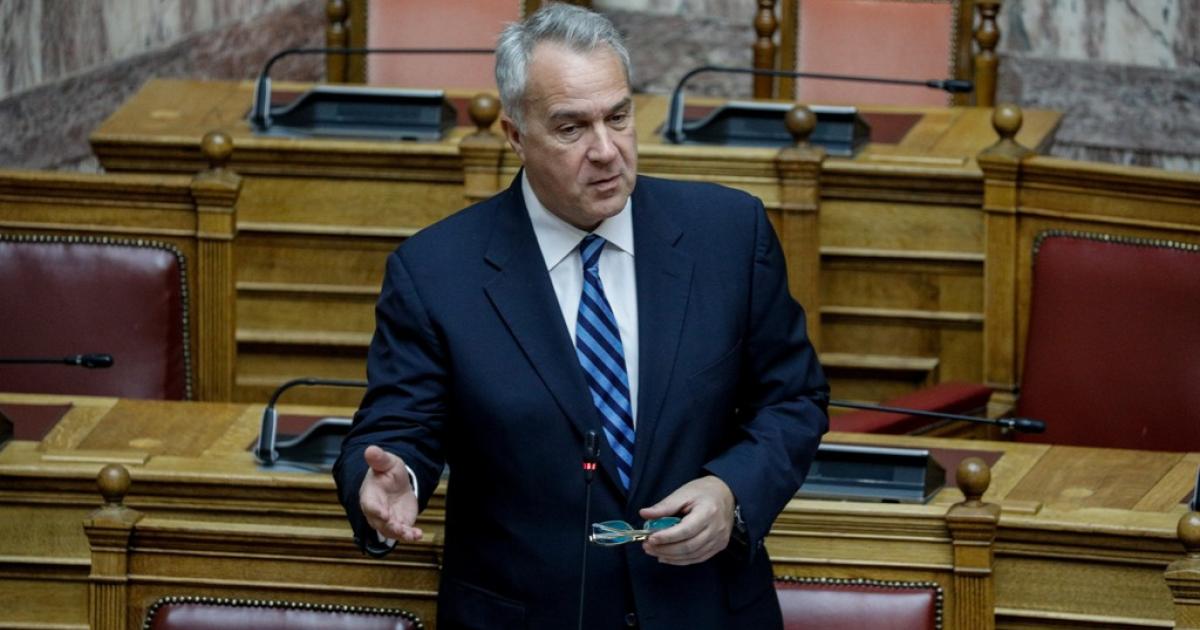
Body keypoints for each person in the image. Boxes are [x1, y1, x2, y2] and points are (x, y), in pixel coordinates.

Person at [333, 4, 829, 629]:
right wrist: (391, 480)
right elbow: (398, 426)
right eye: (571, 128)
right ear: (515, 135)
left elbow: (793, 399)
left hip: (704, 609)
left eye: (618, 117)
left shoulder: (728, 234)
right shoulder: (435, 273)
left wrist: (731, 490)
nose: (606, 151)